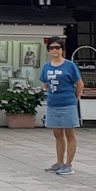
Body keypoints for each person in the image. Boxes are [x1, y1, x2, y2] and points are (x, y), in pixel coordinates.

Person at [39, 38, 83, 175]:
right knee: (57, 134)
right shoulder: (46, 67)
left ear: (62, 49)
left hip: (68, 103)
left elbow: (79, 83)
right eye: (51, 48)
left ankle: (68, 164)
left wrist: (76, 98)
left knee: (70, 134)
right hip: (52, 104)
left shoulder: (69, 66)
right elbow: (45, 84)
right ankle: (59, 162)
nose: (54, 50)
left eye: (57, 47)